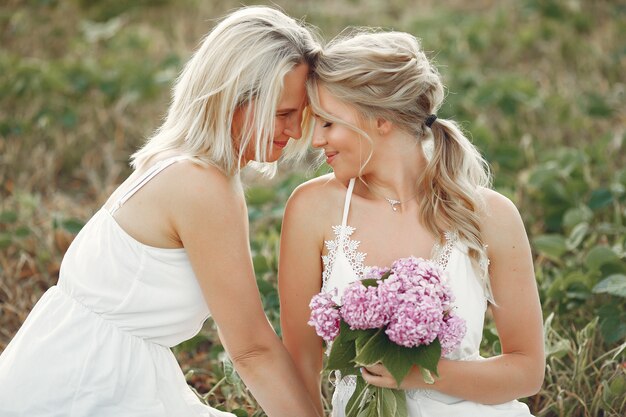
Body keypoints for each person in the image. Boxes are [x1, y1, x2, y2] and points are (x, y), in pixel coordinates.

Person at [0, 6, 322, 417]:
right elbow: (250, 348)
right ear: (233, 100)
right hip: (78, 389)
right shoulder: (199, 184)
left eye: (302, 115)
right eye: (283, 115)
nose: (296, 132)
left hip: (86, 370)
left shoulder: (181, 163)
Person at [278, 29, 545, 416]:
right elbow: (301, 364)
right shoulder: (311, 209)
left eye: (328, 123)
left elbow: (526, 370)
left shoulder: (491, 216)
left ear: (381, 119)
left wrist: (419, 374)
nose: (317, 140)